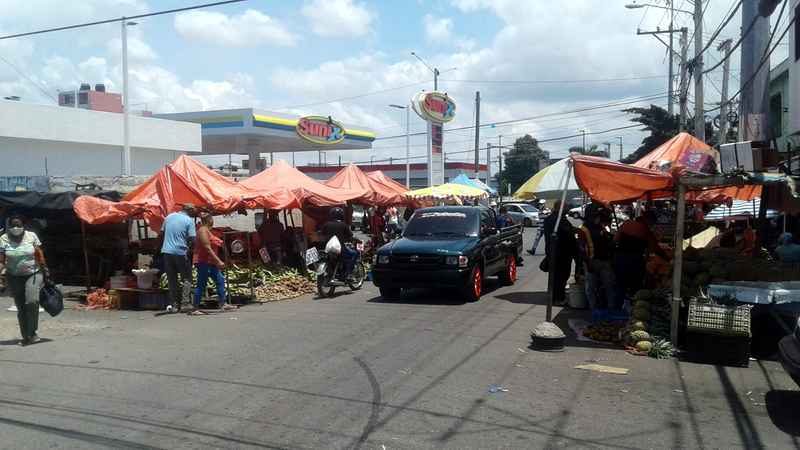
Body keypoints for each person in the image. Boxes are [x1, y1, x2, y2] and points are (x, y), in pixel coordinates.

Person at [0, 216, 48, 345]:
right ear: (9, 227)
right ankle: (27, 336)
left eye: (19, 225)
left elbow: (39, 252)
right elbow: (1, 258)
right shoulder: (3, 238)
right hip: (13, 276)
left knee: (32, 302)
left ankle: (32, 332)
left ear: (23, 226)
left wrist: (44, 268)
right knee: (21, 307)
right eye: (13, 226)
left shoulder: (31, 236)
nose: (16, 228)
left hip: (33, 274)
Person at [614, 210, 669, 298]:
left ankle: (618, 308)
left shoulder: (626, 223)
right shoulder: (645, 230)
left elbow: (615, 239)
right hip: (634, 261)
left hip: (620, 258)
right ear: (648, 220)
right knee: (635, 287)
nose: (652, 226)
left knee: (620, 285)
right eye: (652, 223)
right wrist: (667, 258)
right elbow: (655, 248)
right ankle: (631, 304)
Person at [577, 205, 617, 312]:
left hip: (604, 262)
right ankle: (594, 309)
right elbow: (581, 248)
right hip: (592, 262)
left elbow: (608, 241)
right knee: (591, 288)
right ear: (590, 216)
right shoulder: (583, 229)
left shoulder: (601, 227)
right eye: (596, 216)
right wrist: (588, 262)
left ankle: (610, 309)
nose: (598, 218)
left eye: (598, 216)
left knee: (609, 287)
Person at [193, 213, 233, 313]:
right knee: (201, 284)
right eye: (212, 218)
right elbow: (207, 248)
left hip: (211, 262)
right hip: (203, 262)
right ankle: (195, 308)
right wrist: (218, 261)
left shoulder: (208, 231)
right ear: (209, 220)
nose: (213, 220)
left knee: (220, 280)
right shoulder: (202, 231)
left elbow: (216, 243)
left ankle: (223, 304)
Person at [160, 204, 196, 313]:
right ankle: (185, 303)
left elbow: (161, 233)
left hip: (166, 252)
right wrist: (191, 249)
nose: (195, 212)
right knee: (187, 277)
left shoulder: (169, 217)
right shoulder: (189, 220)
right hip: (180, 252)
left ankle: (174, 305)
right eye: (194, 210)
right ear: (189, 210)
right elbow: (193, 238)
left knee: (172, 279)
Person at [541, 200, 576, 306]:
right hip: (561, 252)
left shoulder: (552, 219)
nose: (567, 209)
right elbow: (567, 234)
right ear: (560, 208)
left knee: (555, 276)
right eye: (565, 207)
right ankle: (558, 298)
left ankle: (554, 296)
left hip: (554, 251)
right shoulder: (557, 220)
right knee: (560, 276)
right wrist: (574, 232)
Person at [321, 207, 356, 279]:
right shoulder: (343, 225)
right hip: (340, 249)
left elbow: (321, 235)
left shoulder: (326, 224)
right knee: (354, 254)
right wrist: (356, 240)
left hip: (327, 249)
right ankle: (348, 274)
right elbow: (350, 236)